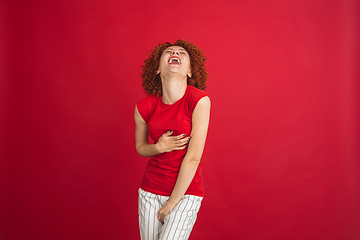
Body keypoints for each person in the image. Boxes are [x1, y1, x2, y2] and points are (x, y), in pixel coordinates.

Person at [134, 39, 210, 240]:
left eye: (182, 52)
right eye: (168, 51)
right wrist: (158, 147)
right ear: (158, 69)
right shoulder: (143, 107)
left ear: (190, 72)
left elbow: (193, 158)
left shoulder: (199, 100)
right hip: (150, 191)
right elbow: (141, 148)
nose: (175, 52)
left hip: (186, 194)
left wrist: (171, 203)